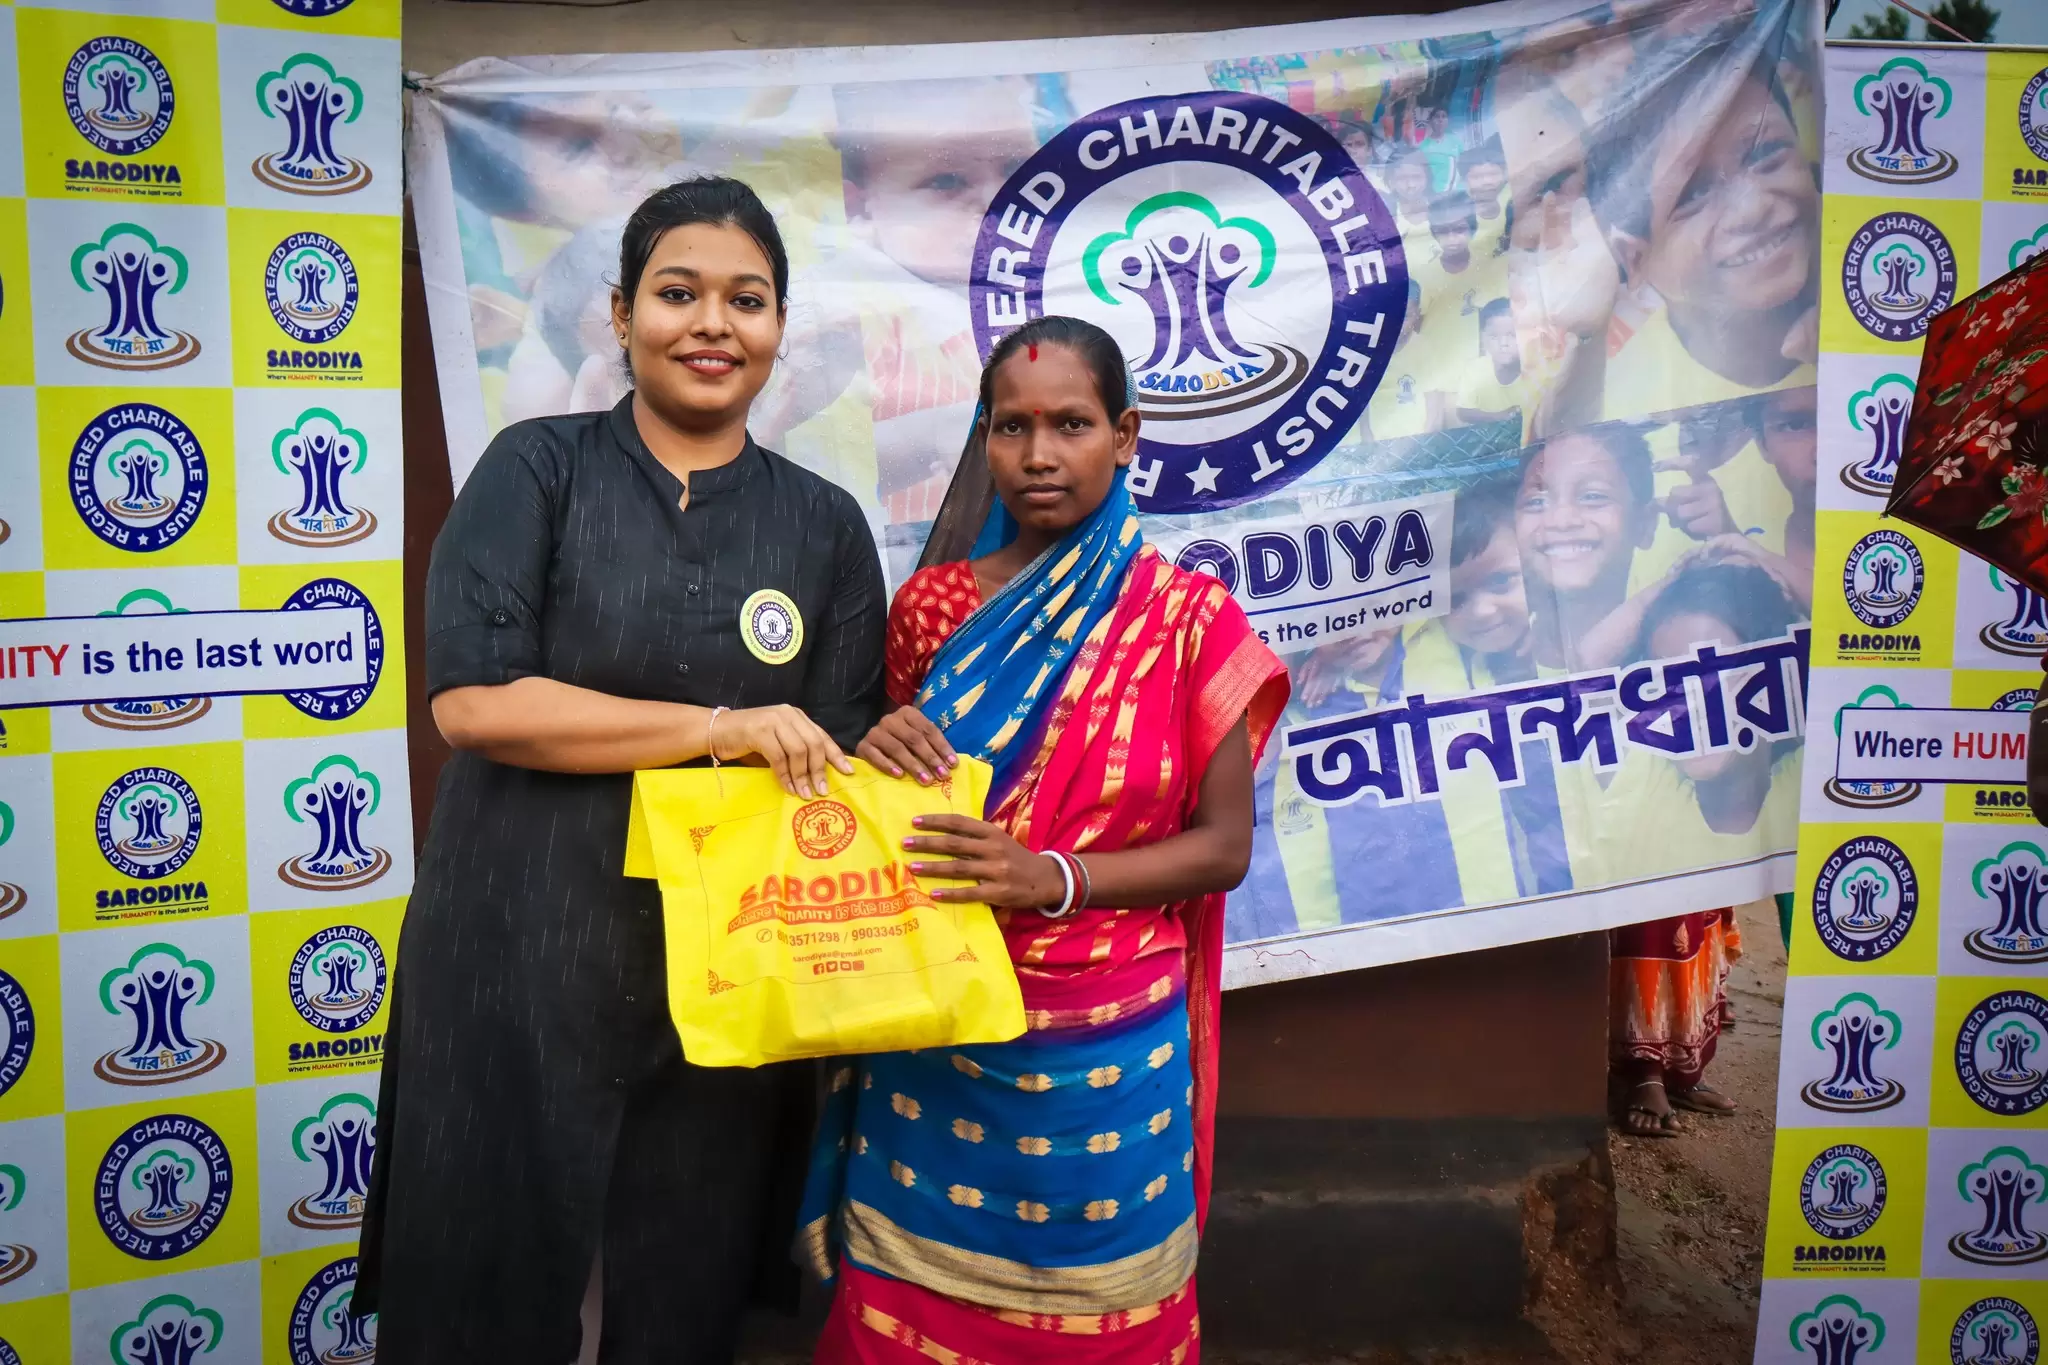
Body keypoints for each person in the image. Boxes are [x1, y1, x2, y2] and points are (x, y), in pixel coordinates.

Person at [356, 177, 888, 1363]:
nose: (712, 324)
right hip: (517, 947)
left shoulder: (822, 525)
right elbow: (478, 703)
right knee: (484, 1286)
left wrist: (885, 749)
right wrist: (721, 725)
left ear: (778, 327)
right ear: (619, 314)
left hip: (725, 978)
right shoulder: (535, 470)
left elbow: (836, 744)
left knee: (680, 1296)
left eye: (746, 300)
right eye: (677, 293)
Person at [799, 315, 1289, 1365]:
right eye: (1010, 426)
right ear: (983, 439)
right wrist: (870, 750)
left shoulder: (1187, 619)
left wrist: (1050, 878)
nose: (1037, 454)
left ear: (1126, 435)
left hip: (1107, 1051)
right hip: (937, 1025)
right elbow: (895, 814)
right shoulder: (931, 609)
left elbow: (1223, 850)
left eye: (1070, 423)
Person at [1607, 560, 1804, 1137]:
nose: (1692, 700)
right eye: (1668, 679)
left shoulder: (1788, 768)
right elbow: (1585, 660)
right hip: (1654, 874)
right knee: (1655, 928)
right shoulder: (1651, 774)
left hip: (1714, 869)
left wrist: (1757, 561)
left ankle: (1682, 1068)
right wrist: (1663, 586)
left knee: (1704, 937)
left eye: (1718, 672)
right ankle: (1644, 1070)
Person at [1454, 298, 1530, 428]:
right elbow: (1463, 412)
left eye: (1512, 335)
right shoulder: (1474, 369)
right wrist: (1499, 417)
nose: (1503, 343)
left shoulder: (1536, 372)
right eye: (1494, 336)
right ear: (1483, 339)